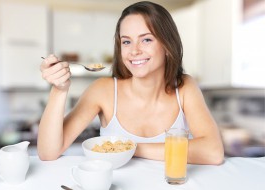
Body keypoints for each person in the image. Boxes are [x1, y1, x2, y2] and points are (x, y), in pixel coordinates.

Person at [38, 1, 224, 165]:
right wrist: (59, 90)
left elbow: (213, 152)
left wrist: (129, 149)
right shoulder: (103, 90)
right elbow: (48, 153)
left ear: (167, 46)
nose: (134, 51)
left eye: (146, 40)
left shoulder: (184, 87)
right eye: (126, 42)